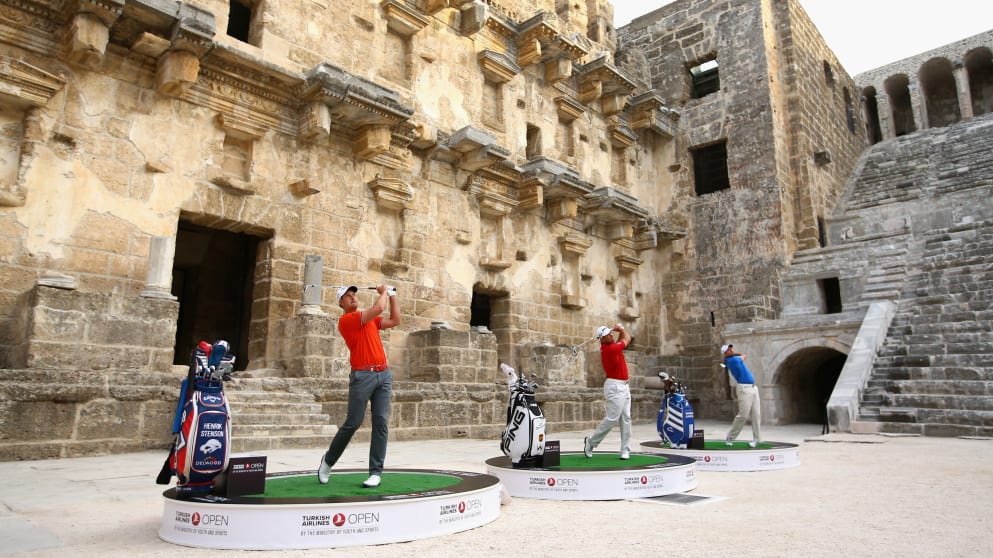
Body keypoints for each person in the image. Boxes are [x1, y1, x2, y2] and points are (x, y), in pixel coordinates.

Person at [318, 284, 400, 488]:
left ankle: (376, 472)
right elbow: (378, 309)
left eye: (354, 294)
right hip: (363, 376)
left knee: (381, 421)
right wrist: (382, 293)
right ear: (340, 303)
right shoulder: (348, 320)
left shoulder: (369, 319)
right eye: (347, 296)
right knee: (353, 422)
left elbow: (395, 320)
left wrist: (392, 296)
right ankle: (328, 461)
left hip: (384, 375)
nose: (353, 298)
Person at [583, 324, 632, 460]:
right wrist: (621, 329)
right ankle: (591, 442)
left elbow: (621, 339)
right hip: (615, 387)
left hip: (624, 386)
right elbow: (627, 339)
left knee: (626, 418)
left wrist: (618, 330)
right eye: (607, 335)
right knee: (612, 418)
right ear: (602, 339)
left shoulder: (612, 345)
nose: (611, 335)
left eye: (611, 333)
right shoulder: (610, 349)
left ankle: (625, 450)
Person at [721, 343, 762, 447]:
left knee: (756, 415)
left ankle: (757, 439)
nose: (731, 350)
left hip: (753, 388)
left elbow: (743, 356)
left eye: (731, 349)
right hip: (744, 390)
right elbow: (744, 356)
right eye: (728, 350)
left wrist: (734, 353)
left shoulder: (732, 358)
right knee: (743, 415)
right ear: (725, 354)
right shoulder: (732, 360)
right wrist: (736, 354)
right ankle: (730, 437)